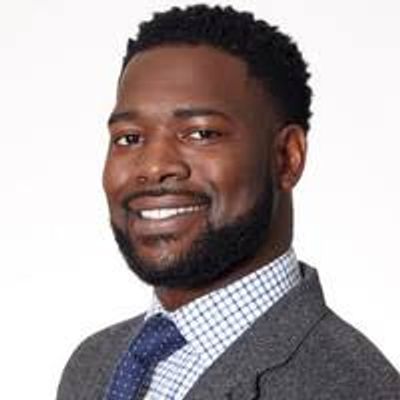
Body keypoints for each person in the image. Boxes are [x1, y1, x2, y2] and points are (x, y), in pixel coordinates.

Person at [57, 4, 400, 399]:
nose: (153, 166)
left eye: (201, 133)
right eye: (129, 138)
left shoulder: (350, 388)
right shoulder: (93, 365)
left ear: (286, 158)